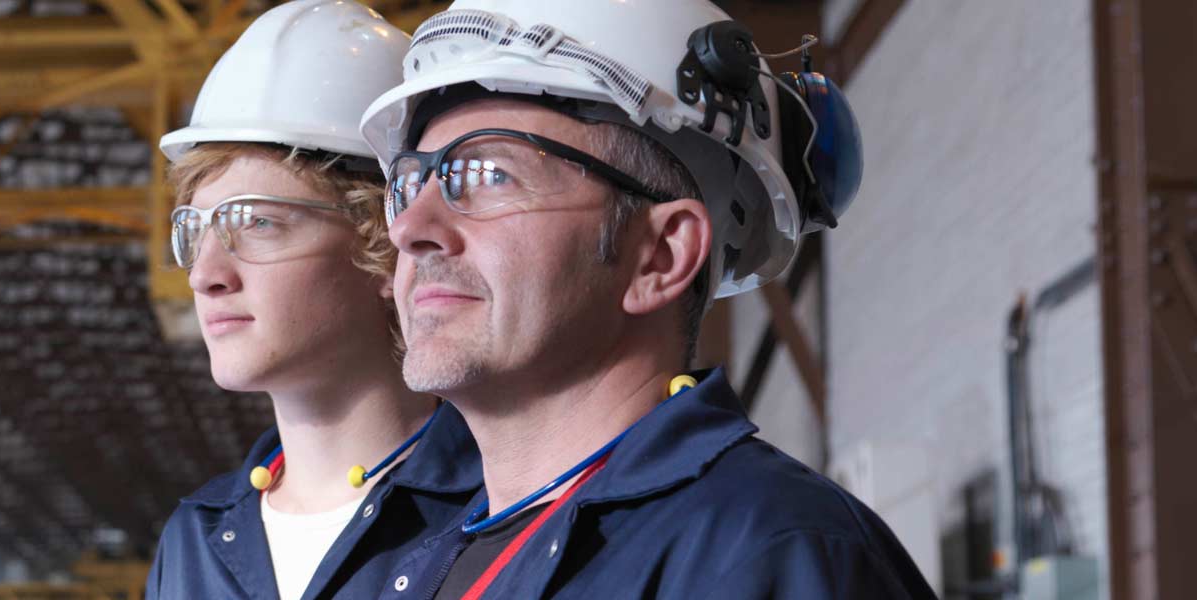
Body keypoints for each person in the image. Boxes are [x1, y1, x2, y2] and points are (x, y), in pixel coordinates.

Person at [350, 0, 932, 597]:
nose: (408, 229)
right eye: (410, 183)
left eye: (489, 174)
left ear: (661, 255)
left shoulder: (773, 553)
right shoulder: (415, 566)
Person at [144, 2, 480, 598]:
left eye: (257, 224)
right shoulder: (196, 538)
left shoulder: (500, 512)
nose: (205, 276)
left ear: (388, 245)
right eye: (194, 230)